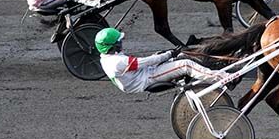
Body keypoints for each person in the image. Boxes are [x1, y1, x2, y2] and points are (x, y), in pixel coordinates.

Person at [95, 28, 227, 94]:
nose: (121, 43)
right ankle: (223, 78)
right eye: (119, 41)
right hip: (147, 79)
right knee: (185, 64)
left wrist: (163, 54)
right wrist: (168, 54)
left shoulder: (107, 58)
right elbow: (145, 62)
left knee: (180, 56)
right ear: (112, 46)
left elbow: (143, 63)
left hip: (144, 74)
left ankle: (213, 67)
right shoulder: (117, 62)